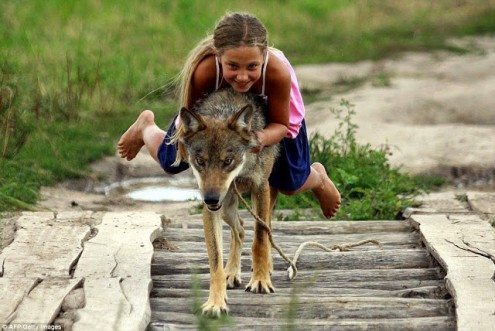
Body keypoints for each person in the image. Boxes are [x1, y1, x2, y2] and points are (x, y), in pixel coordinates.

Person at [118, 12, 341, 218]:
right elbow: (191, 120)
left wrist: (260, 138)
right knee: (171, 163)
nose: (243, 76)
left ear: (264, 55)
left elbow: (281, 124)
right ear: (218, 55)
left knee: (290, 183)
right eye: (232, 66)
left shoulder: (277, 73)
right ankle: (146, 127)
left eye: (252, 66)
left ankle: (319, 178)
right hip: (217, 117)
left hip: (275, 118)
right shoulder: (205, 71)